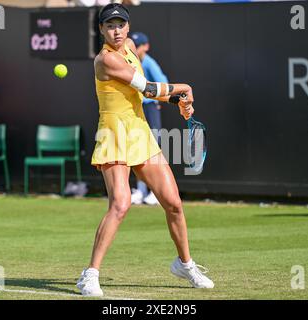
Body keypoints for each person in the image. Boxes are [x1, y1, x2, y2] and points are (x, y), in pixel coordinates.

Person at [76, 3, 214, 297]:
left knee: (173, 203)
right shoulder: (105, 60)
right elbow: (147, 89)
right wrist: (182, 89)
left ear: (128, 28)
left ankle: (185, 264)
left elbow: (148, 94)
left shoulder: (128, 46)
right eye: (110, 25)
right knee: (121, 204)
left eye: (121, 25)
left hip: (139, 132)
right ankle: (90, 274)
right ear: (100, 29)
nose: (116, 31)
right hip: (113, 132)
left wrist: (178, 101)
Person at [129, 31, 166, 206]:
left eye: (139, 46)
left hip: (150, 109)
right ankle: (141, 190)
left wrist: (151, 99)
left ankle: (155, 192)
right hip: (137, 109)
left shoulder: (150, 63)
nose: (136, 49)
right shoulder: (133, 63)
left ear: (146, 47)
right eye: (134, 46)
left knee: (153, 150)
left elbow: (163, 83)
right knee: (138, 149)